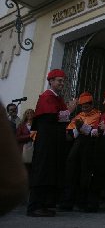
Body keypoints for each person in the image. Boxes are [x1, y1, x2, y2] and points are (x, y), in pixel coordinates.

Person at [27, 69, 77, 217]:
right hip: (46, 142)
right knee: (42, 171)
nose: (62, 83)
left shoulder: (56, 98)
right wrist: (70, 110)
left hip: (52, 141)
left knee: (48, 172)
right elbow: (50, 118)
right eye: (59, 80)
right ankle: (34, 206)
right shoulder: (47, 97)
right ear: (51, 81)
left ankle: (43, 205)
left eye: (63, 80)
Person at [59, 92, 101, 212]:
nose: (84, 109)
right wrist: (78, 129)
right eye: (82, 107)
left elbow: (98, 131)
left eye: (86, 106)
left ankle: (83, 202)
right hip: (76, 148)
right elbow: (70, 134)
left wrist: (84, 128)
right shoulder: (78, 116)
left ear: (91, 104)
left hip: (90, 148)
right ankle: (68, 201)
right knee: (71, 173)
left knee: (85, 175)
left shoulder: (98, 115)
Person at [0, 102, 28, 215]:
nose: (14, 111)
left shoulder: (21, 121)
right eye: (11, 110)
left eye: (15, 109)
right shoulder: (6, 120)